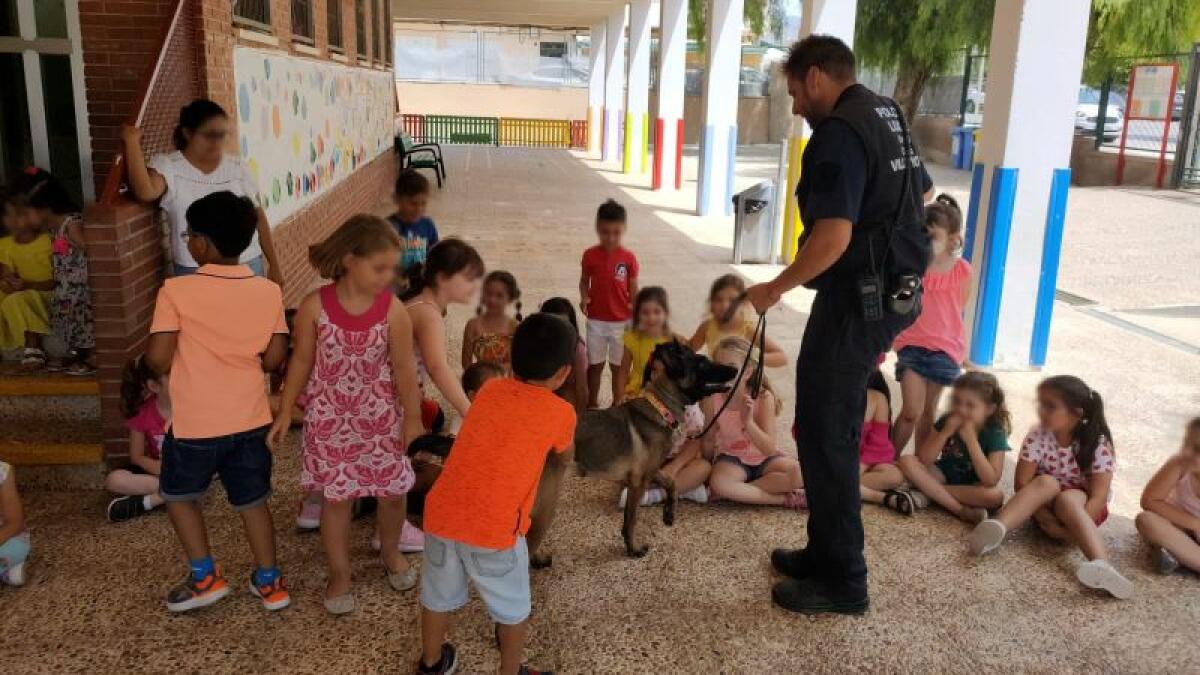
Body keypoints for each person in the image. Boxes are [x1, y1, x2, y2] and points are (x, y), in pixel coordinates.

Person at [744, 35, 934, 614]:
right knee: (829, 423)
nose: (796, 106)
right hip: (885, 293)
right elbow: (920, 191)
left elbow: (832, 237)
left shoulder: (838, 134)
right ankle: (824, 552)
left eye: (797, 92)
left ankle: (844, 579)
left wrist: (773, 289)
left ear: (819, 77)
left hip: (860, 301)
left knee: (827, 433)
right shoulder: (886, 112)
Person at [266, 215, 426, 615]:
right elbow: (300, 361)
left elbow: (406, 370)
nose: (389, 277)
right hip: (330, 422)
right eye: (380, 268)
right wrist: (286, 409)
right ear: (351, 260)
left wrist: (412, 419)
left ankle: (390, 551)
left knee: (392, 494)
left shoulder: (394, 312)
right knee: (336, 501)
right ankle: (340, 572)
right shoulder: (314, 307)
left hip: (381, 420)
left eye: (393, 268)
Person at [145, 190, 291, 613]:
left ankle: (205, 576)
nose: (187, 241)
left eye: (188, 234)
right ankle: (269, 581)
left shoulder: (175, 291)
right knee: (253, 501)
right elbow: (273, 359)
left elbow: (157, 359)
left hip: (194, 426)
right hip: (249, 422)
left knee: (178, 496)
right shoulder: (267, 292)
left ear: (202, 244)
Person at [417, 313, 577, 675]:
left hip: (442, 515)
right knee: (513, 607)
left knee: (437, 595)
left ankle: (431, 663)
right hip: (496, 529)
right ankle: (509, 671)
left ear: (509, 356)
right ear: (564, 373)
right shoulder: (561, 412)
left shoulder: (489, 390)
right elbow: (563, 452)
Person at [968, 376, 1133, 599]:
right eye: (1041, 404)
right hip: (1042, 507)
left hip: (1083, 513)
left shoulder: (1097, 443)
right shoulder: (1038, 435)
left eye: (1051, 406)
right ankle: (997, 528)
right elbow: (1022, 483)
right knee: (1047, 482)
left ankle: (1101, 564)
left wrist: (1069, 531)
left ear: (1077, 413)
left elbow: (1099, 496)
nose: (1042, 411)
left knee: (1070, 498)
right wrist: (1046, 520)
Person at [121, 99, 283, 285]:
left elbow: (259, 217)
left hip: (247, 263)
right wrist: (132, 142)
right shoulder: (169, 166)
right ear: (188, 133)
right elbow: (146, 191)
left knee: (250, 314)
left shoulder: (237, 166)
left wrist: (275, 265)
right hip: (193, 268)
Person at [399, 238, 485, 551]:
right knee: (395, 464)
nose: (475, 284)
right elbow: (438, 367)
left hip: (395, 396)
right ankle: (392, 531)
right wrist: (469, 409)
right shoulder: (427, 313)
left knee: (396, 461)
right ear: (442, 278)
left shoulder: (421, 304)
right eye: (469, 277)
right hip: (391, 400)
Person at [891, 194, 970, 457]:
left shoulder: (962, 271)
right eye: (922, 233)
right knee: (911, 411)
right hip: (912, 345)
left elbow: (959, 307)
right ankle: (885, 461)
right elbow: (899, 301)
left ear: (953, 239)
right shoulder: (912, 266)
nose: (925, 240)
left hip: (945, 350)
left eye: (932, 235)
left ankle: (919, 467)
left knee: (928, 413)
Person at [704, 337, 807, 509]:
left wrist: (748, 422)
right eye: (718, 366)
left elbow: (768, 448)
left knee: (801, 474)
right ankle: (784, 500)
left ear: (747, 372)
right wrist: (707, 473)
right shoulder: (711, 398)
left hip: (765, 459)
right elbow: (708, 438)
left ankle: (739, 493)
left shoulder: (763, 397)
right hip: (732, 459)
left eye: (731, 367)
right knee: (719, 483)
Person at [894, 372, 1009, 521]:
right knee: (907, 461)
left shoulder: (995, 431)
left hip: (972, 487)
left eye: (970, 405)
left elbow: (990, 480)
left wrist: (971, 441)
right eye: (956, 401)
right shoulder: (947, 420)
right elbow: (923, 460)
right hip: (943, 475)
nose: (961, 410)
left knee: (995, 496)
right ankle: (960, 510)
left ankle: (927, 492)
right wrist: (944, 433)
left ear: (989, 409)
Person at [13, 168, 96, 374]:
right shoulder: (55, 228)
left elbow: (92, 249)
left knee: (81, 319)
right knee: (68, 319)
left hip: (81, 288)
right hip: (67, 288)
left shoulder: (72, 224)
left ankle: (91, 357)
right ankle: (76, 353)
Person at [580, 198, 639, 408]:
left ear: (624, 229)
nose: (611, 237)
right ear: (597, 228)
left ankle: (617, 405)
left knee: (618, 368)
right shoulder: (589, 255)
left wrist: (636, 309)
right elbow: (583, 281)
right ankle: (592, 403)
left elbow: (633, 287)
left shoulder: (629, 258)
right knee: (595, 366)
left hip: (621, 323)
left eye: (616, 232)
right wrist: (584, 296)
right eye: (605, 232)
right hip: (596, 320)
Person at [105, 356, 170, 522]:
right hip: (161, 474)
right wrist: (159, 468)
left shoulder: (192, 407)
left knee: (198, 481)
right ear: (154, 386)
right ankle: (170, 495)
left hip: (193, 471)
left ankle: (147, 502)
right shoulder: (143, 413)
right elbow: (137, 457)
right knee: (114, 479)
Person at [1136, 418, 1200, 574]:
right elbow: (1149, 501)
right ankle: (1187, 558)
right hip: (1178, 526)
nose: (1186, 452)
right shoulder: (1180, 463)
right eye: (1186, 442)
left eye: (1198, 449)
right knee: (1146, 520)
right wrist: (1195, 524)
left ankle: (1180, 556)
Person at [0, 191, 54, 369]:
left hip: (47, 294)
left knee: (18, 299)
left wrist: (28, 285)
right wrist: (8, 283)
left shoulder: (48, 242)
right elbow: (7, 274)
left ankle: (33, 346)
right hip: (22, 292)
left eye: (20, 215)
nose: (14, 220)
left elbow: (59, 280)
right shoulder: (5, 244)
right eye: (9, 216)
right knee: (9, 297)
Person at [687, 274, 787, 368]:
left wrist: (752, 358)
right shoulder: (707, 326)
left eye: (732, 300)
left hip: (744, 380)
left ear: (743, 304)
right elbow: (690, 349)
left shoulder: (748, 330)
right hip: (717, 378)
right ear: (711, 303)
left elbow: (781, 357)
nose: (724, 306)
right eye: (718, 299)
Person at [614, 286, 679, 404]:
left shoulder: (672, 341)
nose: (651, 317)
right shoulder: (632, 337)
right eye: (645, 312)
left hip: (662, 396)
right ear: (637, 315)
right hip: (634, 392)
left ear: (666, 313)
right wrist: (620, 395)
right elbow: (623, 370)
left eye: (656, 312)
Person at [389, 169, 440, 295]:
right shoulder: (388, 227)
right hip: (394, 289)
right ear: (396, 199)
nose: (419, 209)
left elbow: (436, 254)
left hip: (420, 287)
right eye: (413, 203)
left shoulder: (428, 225)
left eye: (423, 203)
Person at [858, 370, 904, 508]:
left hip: (865, 461)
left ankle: (829, 487)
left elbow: (878, 446)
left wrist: (860, 466)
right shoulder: (831, 394)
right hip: (834, 459)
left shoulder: (878, 398)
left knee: (894, 476)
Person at [462, 270, 521, 371]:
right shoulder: (473, 325)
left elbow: (520, 361)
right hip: (481, 384)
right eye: (489, 293)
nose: (492, 299)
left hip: (509, 384)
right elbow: (466, 361)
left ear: (510, 298)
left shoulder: (515, 326)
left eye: (499, 295)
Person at [539, 296, 590, 414]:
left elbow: (582, 390)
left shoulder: (577, 348)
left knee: (568, 397)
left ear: (571, 325)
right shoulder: (538, 342)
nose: (558, 330)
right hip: (544, 389)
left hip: (568, 389)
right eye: (553, 323)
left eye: (563, 324)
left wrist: (580, 421)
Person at [0, 459, 29, 587]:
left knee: (17, 547)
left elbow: (15, 522)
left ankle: (7, 569)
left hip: (4, 536)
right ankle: (7, 572)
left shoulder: (3, 471)